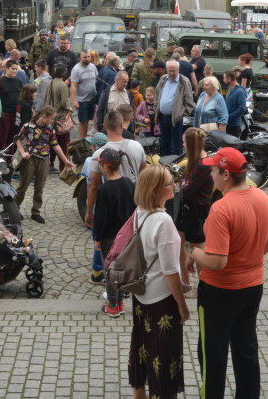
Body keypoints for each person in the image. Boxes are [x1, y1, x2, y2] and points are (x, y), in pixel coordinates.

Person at [186, 147, 268, 399]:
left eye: (214, 170)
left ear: (226, 174)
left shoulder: (221, 208)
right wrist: (249, 258)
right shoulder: (262, 198)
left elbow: (216, 261)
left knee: (212, 355)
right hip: (252, 287)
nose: (211, 175)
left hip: (220, 292)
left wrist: (192, 252)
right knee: (246, 350)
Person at [125, 164, 190, 399]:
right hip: (162, 300)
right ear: (155, 189)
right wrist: (182, 305)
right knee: (163, 358)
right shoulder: (163, 221)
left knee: (143, 350)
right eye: (169, 183)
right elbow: (170, 270)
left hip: (142, 296)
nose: (174, 185)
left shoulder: (139, 213)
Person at [14, 105, 75, 224]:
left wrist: (65, 161)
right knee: (23, 186)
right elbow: (18, 139)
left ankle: (35, 212)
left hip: (44, 161)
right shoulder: (28, 126)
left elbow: (55, 145)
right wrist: (23, 152)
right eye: (51, 119)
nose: (52, 121)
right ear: (44, 116)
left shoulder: (50, 129)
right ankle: (14, 208)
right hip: (30, 160)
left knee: (39, 187)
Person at [95, 147, 137, 316]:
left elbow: (101, 217)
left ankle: (113, 305)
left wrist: (97, 238)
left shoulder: (104, 190)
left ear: (105, 167)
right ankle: (120, 301)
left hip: (109, 237)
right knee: (122, 268)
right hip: (127, 234)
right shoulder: (128, 183)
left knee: (110, 270)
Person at [174, 128, 213, 289]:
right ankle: (186, 281)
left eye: (184, 142)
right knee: (178, 242)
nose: (182, 145)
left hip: (196, 211)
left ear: (190, 144)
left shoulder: (203, 165)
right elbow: (183, 180)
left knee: (197, 248)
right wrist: (184, 183)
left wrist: (184, 185)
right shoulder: (196, 161)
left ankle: (203, 286)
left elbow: (186, 189)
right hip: (187, 209)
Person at [157, 60, 195, 157]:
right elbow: (157, 95)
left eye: (174, 71)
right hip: (163, 118)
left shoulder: (184, 81)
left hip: (176, 119)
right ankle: (165, 166)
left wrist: (179, 114)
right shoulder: (163, 79)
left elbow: (190, 103)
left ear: (178, 70)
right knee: (165, 144)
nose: (171, 73)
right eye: (169, 71)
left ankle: (176, 167)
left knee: (176, 145)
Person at [70, 51, 99, 140]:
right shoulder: (76, 69)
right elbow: (73, 86)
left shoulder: (93, 66)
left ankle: (85, 139)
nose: (87, 59)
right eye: (84, 57)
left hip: (92, 99)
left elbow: (96, 78)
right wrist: (74, 101)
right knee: (82, 121)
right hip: (82, 100)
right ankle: (81, 140)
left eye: (88, 57)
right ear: (80, 57)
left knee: (87, 121)